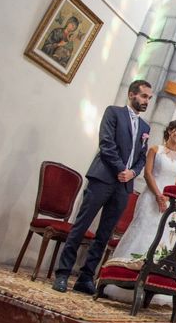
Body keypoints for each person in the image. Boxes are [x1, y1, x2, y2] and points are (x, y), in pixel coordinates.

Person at [52, 80, 153, 294]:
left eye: (149, 98)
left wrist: (133, 173)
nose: (147, 101)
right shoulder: (114, 113)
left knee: (105, 233)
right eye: (144, 96)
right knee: (82, 224)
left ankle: (86, 278)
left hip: (123, 186)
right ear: (132, 94)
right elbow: (106, 143)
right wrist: (120, 169)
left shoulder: (145, 128)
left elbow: (142, 157)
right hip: (104, 177)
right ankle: (62, 273)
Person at [104, 120, 176, 307]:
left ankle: (149, 284)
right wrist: (158, 196)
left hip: (168, 204)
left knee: (159, 237)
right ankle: (123, 279)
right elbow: (147, 174)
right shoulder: (155, 149)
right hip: (151, 198)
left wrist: (171, 201)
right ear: (170, 131)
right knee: (142, 232)